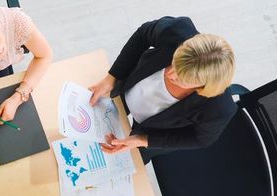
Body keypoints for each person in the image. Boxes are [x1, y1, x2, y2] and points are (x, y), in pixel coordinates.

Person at [89, 17, 236, 163]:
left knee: (124, 162)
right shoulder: (177, 31)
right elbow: (143, 34)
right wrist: (112, 77)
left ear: (202, 86)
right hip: (128, 88)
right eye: (174, 63)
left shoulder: (219, 110)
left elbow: (199, 139)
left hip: (154, 132)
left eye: (181, 79)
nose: (170, 74)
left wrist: (144, 140)